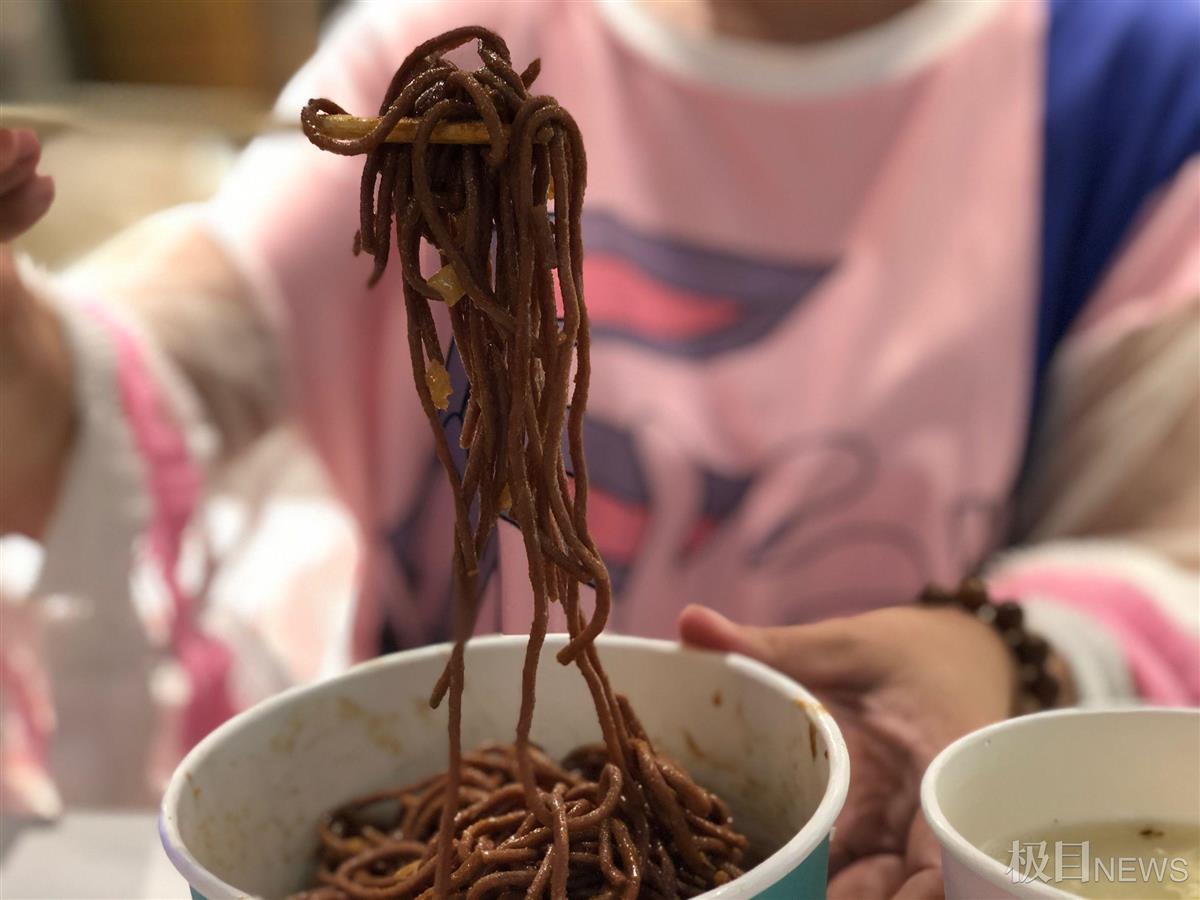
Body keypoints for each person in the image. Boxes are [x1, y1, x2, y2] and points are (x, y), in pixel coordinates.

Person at [2, 0, 1197, 896]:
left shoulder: (1142, 96)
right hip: (429, 797)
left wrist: (994, 651)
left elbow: (1176, 548)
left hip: (878, 844)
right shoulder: (452, 36)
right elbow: (144, 375)